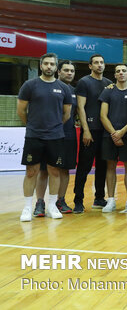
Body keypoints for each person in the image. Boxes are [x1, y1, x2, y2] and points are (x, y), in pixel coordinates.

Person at [17, 53, 72, 221]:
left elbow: (67, 114)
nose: (49, 66)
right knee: (31, 172)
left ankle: (52, 206)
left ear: (56, 67)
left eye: (52, 64)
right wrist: (32, 126)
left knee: (54, 171)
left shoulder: (64, 88)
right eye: (46, 64)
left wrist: (53, 127)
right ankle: (27, 208)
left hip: (56, 136)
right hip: (34, 136)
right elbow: (21, 111)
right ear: (41, 66)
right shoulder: (29, 85)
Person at [33, 60, 78, 216]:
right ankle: (40, 203)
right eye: (66, 70)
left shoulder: (74, 91)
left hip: (68, 136)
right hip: (48, 135)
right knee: (44, 170)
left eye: (72, 71)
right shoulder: (47, 87)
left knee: (64, 170)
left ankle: (60, 200)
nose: (69, 73)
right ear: (59, 71)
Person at [73, 54, 112, 213]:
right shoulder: (84, 82)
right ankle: (78, 201)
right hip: (90, 131)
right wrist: (86, 130)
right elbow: (80, 107)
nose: (99, 65)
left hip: (105, 133)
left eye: (102, 62)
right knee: (84, 167)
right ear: (90, 66)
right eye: (96, 63)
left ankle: (99, 198)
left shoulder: (109, 84)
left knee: (103, 166)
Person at [99, 64, 127, 212]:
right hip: (109, 136)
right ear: (114, 75)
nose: (121, 73)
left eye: (124, 71)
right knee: (110, 167)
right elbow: (103, 115)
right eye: (118, 71)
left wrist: (122, 132)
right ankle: (110, 200)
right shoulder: (107, 92)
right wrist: (114, 134)